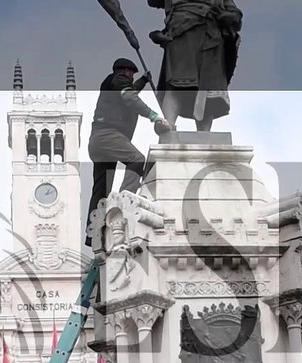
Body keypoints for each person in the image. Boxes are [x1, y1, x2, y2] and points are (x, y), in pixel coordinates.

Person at [86, 57, 171, 244]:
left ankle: (94, 232)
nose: (133, 77)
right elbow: (130, 97)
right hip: (108, 135)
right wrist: (154, 116)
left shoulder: (115, 84)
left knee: (100, 189)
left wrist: (143, 81)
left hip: (98, 141)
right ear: (125, 71)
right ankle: (124, 202)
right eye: (132, 74)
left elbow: (128, 93)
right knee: (137, 160)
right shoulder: (117, 79)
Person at [148, 0, 242, 131]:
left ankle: (204, 135)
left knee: (208, 92)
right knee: (176, 85)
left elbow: (234, 13)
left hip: (211, 37)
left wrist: (231, 17)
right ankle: (168, 125)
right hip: (181, 34)